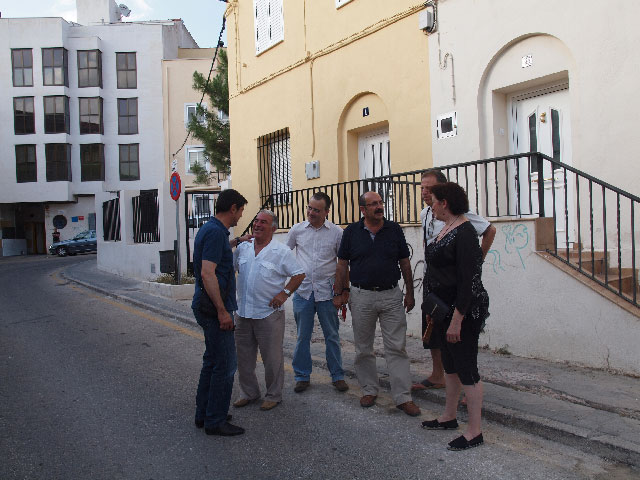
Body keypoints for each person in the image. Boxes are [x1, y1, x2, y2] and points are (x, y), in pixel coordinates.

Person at [334, 191, 421, 417]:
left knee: (397, 347)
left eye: (380, 203)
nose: (379, 207)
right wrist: (340, 292)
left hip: (391, 295)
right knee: (364, 348)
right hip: (361, 296)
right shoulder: (352, 232)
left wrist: (409, 293)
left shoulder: (394, 230)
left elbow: (405, 262)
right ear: (363, 210)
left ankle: (403, 397)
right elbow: (342, 264)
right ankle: (369, 389)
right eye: (373, 204)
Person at [420, 182, 489, 451]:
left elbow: (469, 281)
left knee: (466, 368)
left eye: (434, 200)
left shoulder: (465, 232)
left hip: (463, 312)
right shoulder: (446, 228)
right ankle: (449, 417)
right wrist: (433, 312)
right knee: (449, 365)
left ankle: (475, 431)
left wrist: (458, 319)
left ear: (445, 202)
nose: (431, 205)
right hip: (442, 309)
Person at [413, 169, 496, 392]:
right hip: (433, 279)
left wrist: (476, 262)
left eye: (429, 188)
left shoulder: (461, 215)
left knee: (460, 335)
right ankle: (438, 374)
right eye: (422, 187)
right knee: (432, 327)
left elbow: (489, 230)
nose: (424, 192)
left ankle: (468, 383)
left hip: (454, 283)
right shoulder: (425, 214)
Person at [233, 210, 306, 411]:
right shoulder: (243, 248)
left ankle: (273, 395)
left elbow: (299, 274)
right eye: (256, 220)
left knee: (272, 359)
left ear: (273, 228)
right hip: (243, 313)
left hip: (268, 314)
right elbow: (229, 267)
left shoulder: (280, 251)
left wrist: (284, 294)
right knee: (244, 358)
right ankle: (249, 392)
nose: (257, 224)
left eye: (263, 222)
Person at [192, 189, 251, 437]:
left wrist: (237, 242)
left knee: (212, 361)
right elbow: (208, 273)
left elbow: (215, 254)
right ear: (233, 208)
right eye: (241, 212)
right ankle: (215, 420)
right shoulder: (216, 233)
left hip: (204, 305)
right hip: (214, 309)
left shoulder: (211, 229)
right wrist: (223, 311)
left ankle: (204, 413)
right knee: (226, 365)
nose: (240, 217)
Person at [286, 192, 348, 394]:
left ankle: (337, 375)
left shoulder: (337, 233)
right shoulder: (297, 230)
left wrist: (341, 292)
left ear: (326, 212)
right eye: (309, 208)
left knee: (332, 335)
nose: (311, 212)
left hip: (327, 293)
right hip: (303, 291)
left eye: (316, 210)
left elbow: (342, 264)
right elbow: (284, 256)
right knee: (302, 336)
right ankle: (302, 376)